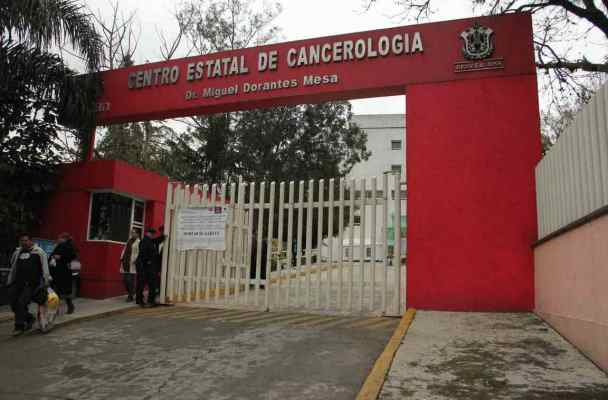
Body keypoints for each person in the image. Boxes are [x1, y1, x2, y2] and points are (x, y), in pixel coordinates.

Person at [7, 234, 51, 335]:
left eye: (26, 240)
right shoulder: (17, 252)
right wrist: (10, 280)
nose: (24, 242)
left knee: (22, 303)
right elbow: (13, 265)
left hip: (31, 284)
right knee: (13, 303)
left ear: (31, 241)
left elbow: (45, 267)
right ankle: (30, 318)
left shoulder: (39, 252)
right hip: (17, 282)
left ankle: (19, 326)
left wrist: (46, 281)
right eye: (22, 240)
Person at [49, 233, 77, 314]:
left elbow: (72, 256)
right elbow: (52, 255)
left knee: (63, 291)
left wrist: (61, 257)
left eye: (60, 238)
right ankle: (55, 309)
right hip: (55, 270)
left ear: (64, 238)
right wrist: (53, 257)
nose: (58, 239)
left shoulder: (70, 246)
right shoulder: (58, 245)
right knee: (55, 290)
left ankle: (70, 306)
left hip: (64, 272)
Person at [136, 228, 157, 307]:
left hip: (145, 266)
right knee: (146, 283)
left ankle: (142, 300)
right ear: (150, 233)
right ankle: (144, 300)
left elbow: (156, 241)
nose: (154, 236)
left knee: (143, 283)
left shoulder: (148, 240)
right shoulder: (145, 241)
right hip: (145, 266)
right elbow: (143, 253)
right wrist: (148, 261)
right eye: (153, 234)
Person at [120, 229, 140, 302]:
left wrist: (135, 260)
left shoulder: (139, 242)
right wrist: (121, 257)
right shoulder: (129, 241)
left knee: (130, 280)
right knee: (125, 280)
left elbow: (139, 252)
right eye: (131, 233)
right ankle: (132, 292)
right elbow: (124, 249)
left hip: (132, 263)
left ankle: (130, 295)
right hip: (125, 262)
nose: (132, 234)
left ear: (137, 234)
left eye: (134, 233)